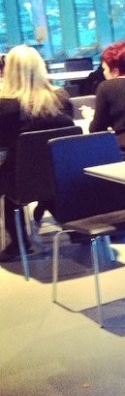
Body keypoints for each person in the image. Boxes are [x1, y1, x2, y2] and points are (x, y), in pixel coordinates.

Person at [0, 45, 74, 262]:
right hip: (61, 175)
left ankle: (17, 243)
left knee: (11, 175)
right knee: (42, 177)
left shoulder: (5, 107)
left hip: (20, 182)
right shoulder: (61, 98)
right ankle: (73, 226)